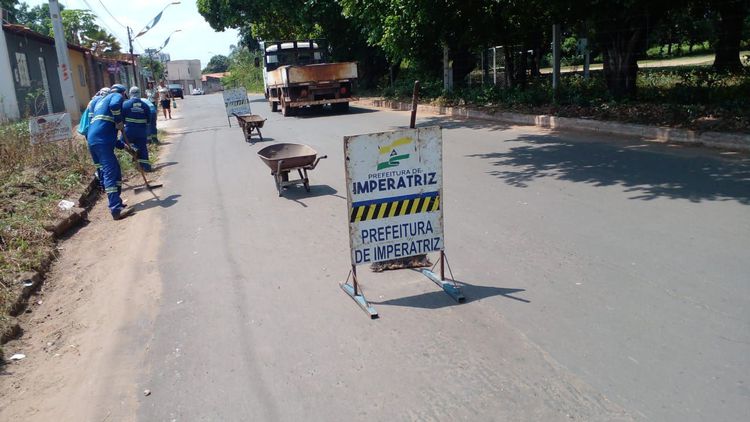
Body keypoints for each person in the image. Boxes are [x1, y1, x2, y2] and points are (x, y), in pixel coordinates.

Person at [87, 84, 134, 220]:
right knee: (110, 172)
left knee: (115, 170)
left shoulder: (100, 102)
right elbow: (115, 105)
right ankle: (115, 209)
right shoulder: (115, 96)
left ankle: (117, 201)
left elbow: (112, 139)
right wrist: (119, 121)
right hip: (101, 140)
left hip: (95, 139)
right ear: (124, 93)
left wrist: (126, 147)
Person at [85, 87, 111, 192]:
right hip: (99, 134)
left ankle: (102, 184)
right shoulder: (100, 102)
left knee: (98, 162)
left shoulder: (91, 102)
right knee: (105, 161)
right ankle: (106, 184)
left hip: (89, 135)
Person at [122, 86, 152, 171]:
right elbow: (148, 120)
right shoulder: (145, 105)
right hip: (142, 131)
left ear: (130, 94)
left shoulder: (125, 104)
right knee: (142, 147)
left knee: (121, 142)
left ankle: (134, 149)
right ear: (139, 94)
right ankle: (146, 167)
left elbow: (121, 119)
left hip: (129, 130)